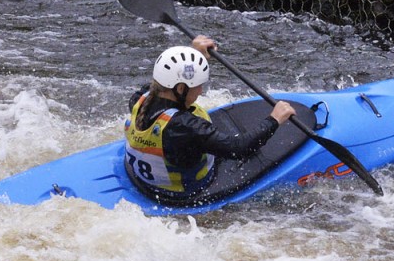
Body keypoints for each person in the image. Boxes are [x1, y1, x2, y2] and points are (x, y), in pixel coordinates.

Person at [124, 35, 297, 201]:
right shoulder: (185, 127)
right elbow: (240, 148)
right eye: (198, 86)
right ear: (181, 89)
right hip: (183, 192)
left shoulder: (140, 98)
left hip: (144, 182)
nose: (201, 91)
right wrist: (274, 119)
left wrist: (194, 54)